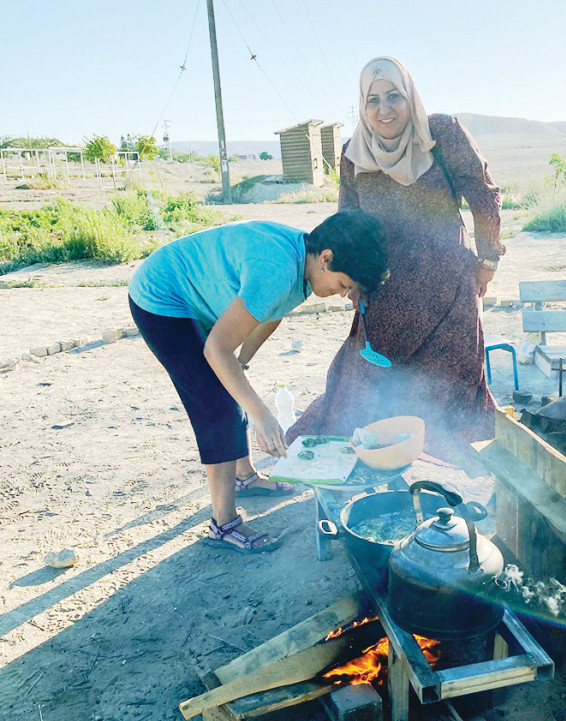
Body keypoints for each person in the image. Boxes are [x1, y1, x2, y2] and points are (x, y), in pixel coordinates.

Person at [287, 56, 506, 464]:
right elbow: (346, 219)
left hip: (448, 288)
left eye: (394, 97)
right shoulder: (354, 152)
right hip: (384, 290)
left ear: (410, 97)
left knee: (448, 379)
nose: (384, 109)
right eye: (373, 100)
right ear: (362, 105)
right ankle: (381, 456)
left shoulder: (442, 134)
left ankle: (440, 460)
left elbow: (483, 194)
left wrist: (488, 258)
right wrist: (352, 282)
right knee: (371, 380)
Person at [128, 211, 388, 552]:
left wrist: (242, 363)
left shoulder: (304, 264)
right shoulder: (277, 271)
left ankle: (245, 477)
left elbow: (269, 316)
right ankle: (222, 524)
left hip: (193, 292)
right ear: (327, 259)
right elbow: (216, 348)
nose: (344, 295)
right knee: (217, 406)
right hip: (162, 296)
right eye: (345, 285)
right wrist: (261, 415)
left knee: (228, 385)